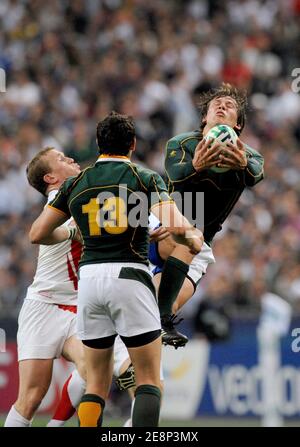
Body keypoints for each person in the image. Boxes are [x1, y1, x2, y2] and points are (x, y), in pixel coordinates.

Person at [29, 111, 203, 427]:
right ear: (133, 144)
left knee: (95, 384)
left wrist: (70, 231)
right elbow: (176, 225)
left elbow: (37, 234)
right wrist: (192, 238)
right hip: (130, 277)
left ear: (98, 144)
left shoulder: (77, 183)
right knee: (149, 380)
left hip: (90, 283)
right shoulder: (145, 178)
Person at [4, 148, 134, 427]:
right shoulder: (59, 199)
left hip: (77, 306)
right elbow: (39, 234)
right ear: (51, 177)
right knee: (32, 395)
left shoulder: (79, 194)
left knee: (94, 372)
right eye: (62, 160)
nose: (72, 160)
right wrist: (73, 231)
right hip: (44, 306)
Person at [150, 83, 264, 348]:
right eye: (217, 104)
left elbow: (257, 175)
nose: (222, 106)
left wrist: (243, 164)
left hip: (201, 244)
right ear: (204, 118)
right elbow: (175, 174)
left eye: (230, 106)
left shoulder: (249, 156)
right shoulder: (182, 143)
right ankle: (164, 322)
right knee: (193, 236)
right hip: (167, 226)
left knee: (166, 302)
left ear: (238, 125)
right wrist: (196, 166)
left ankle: (133, 346)